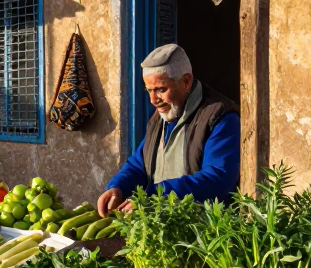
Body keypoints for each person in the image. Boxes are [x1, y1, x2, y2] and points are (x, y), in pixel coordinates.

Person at [97, 44, 241, 216]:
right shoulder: (160, 118)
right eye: (149, 90)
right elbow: (140, 164)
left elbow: (218, 178)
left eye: (160, 89)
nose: (153, 99)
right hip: (164, 229)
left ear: (186, 82)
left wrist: (154, 196)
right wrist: (118, 187)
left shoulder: (220, 117)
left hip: (204, 236)